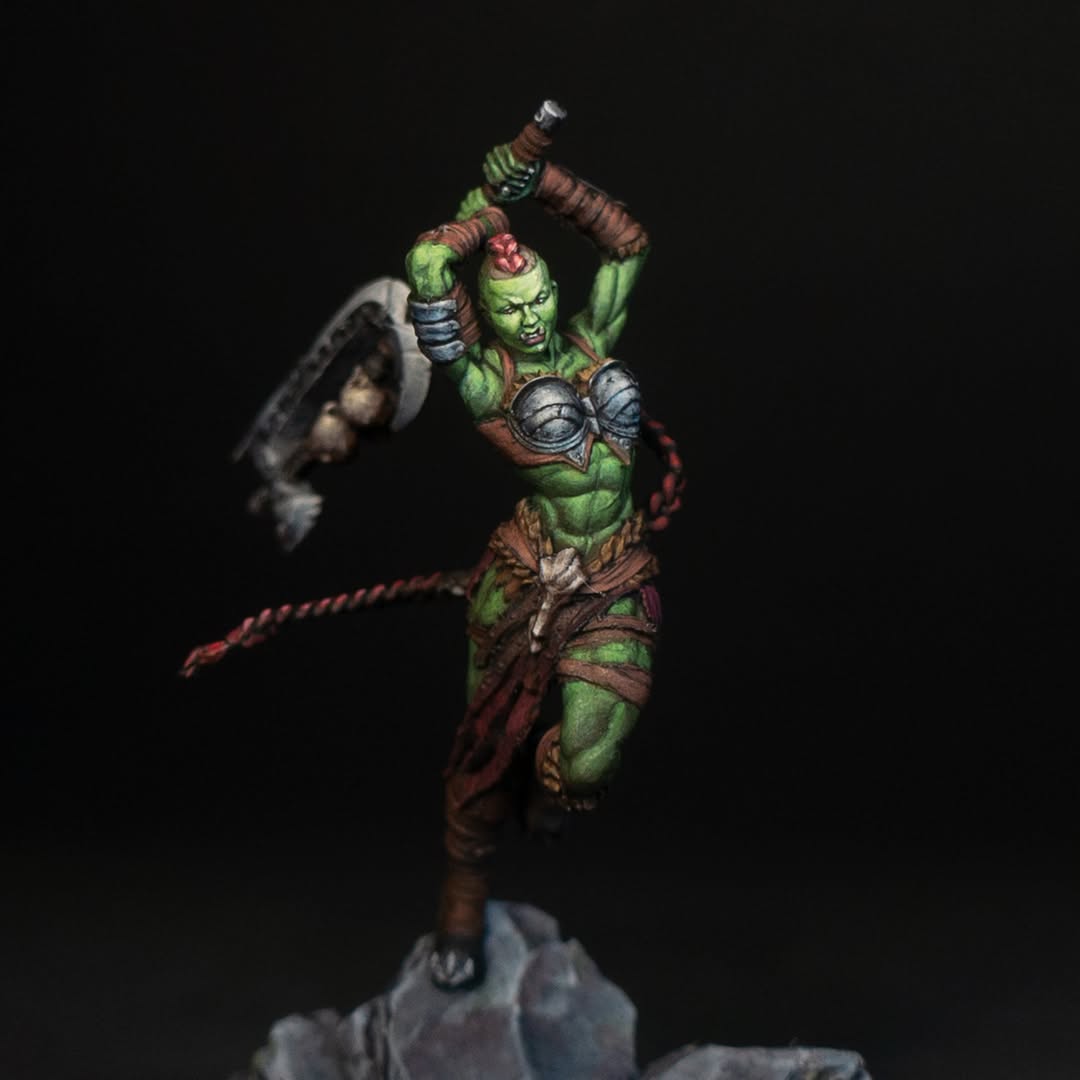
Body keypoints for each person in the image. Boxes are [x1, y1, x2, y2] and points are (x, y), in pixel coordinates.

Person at [405, 141, 667, 991]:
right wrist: (479, 222)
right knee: (484, 752)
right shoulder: (486, 385)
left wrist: (545, 184)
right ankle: (462, 897)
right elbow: (427, 267)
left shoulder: (590, 342)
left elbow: (628, 246)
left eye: (541, 296)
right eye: (512, 306)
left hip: (614, 577)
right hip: (526, 585)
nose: (532, 316)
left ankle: (550, 787)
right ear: (490, 309)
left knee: (588, 765)